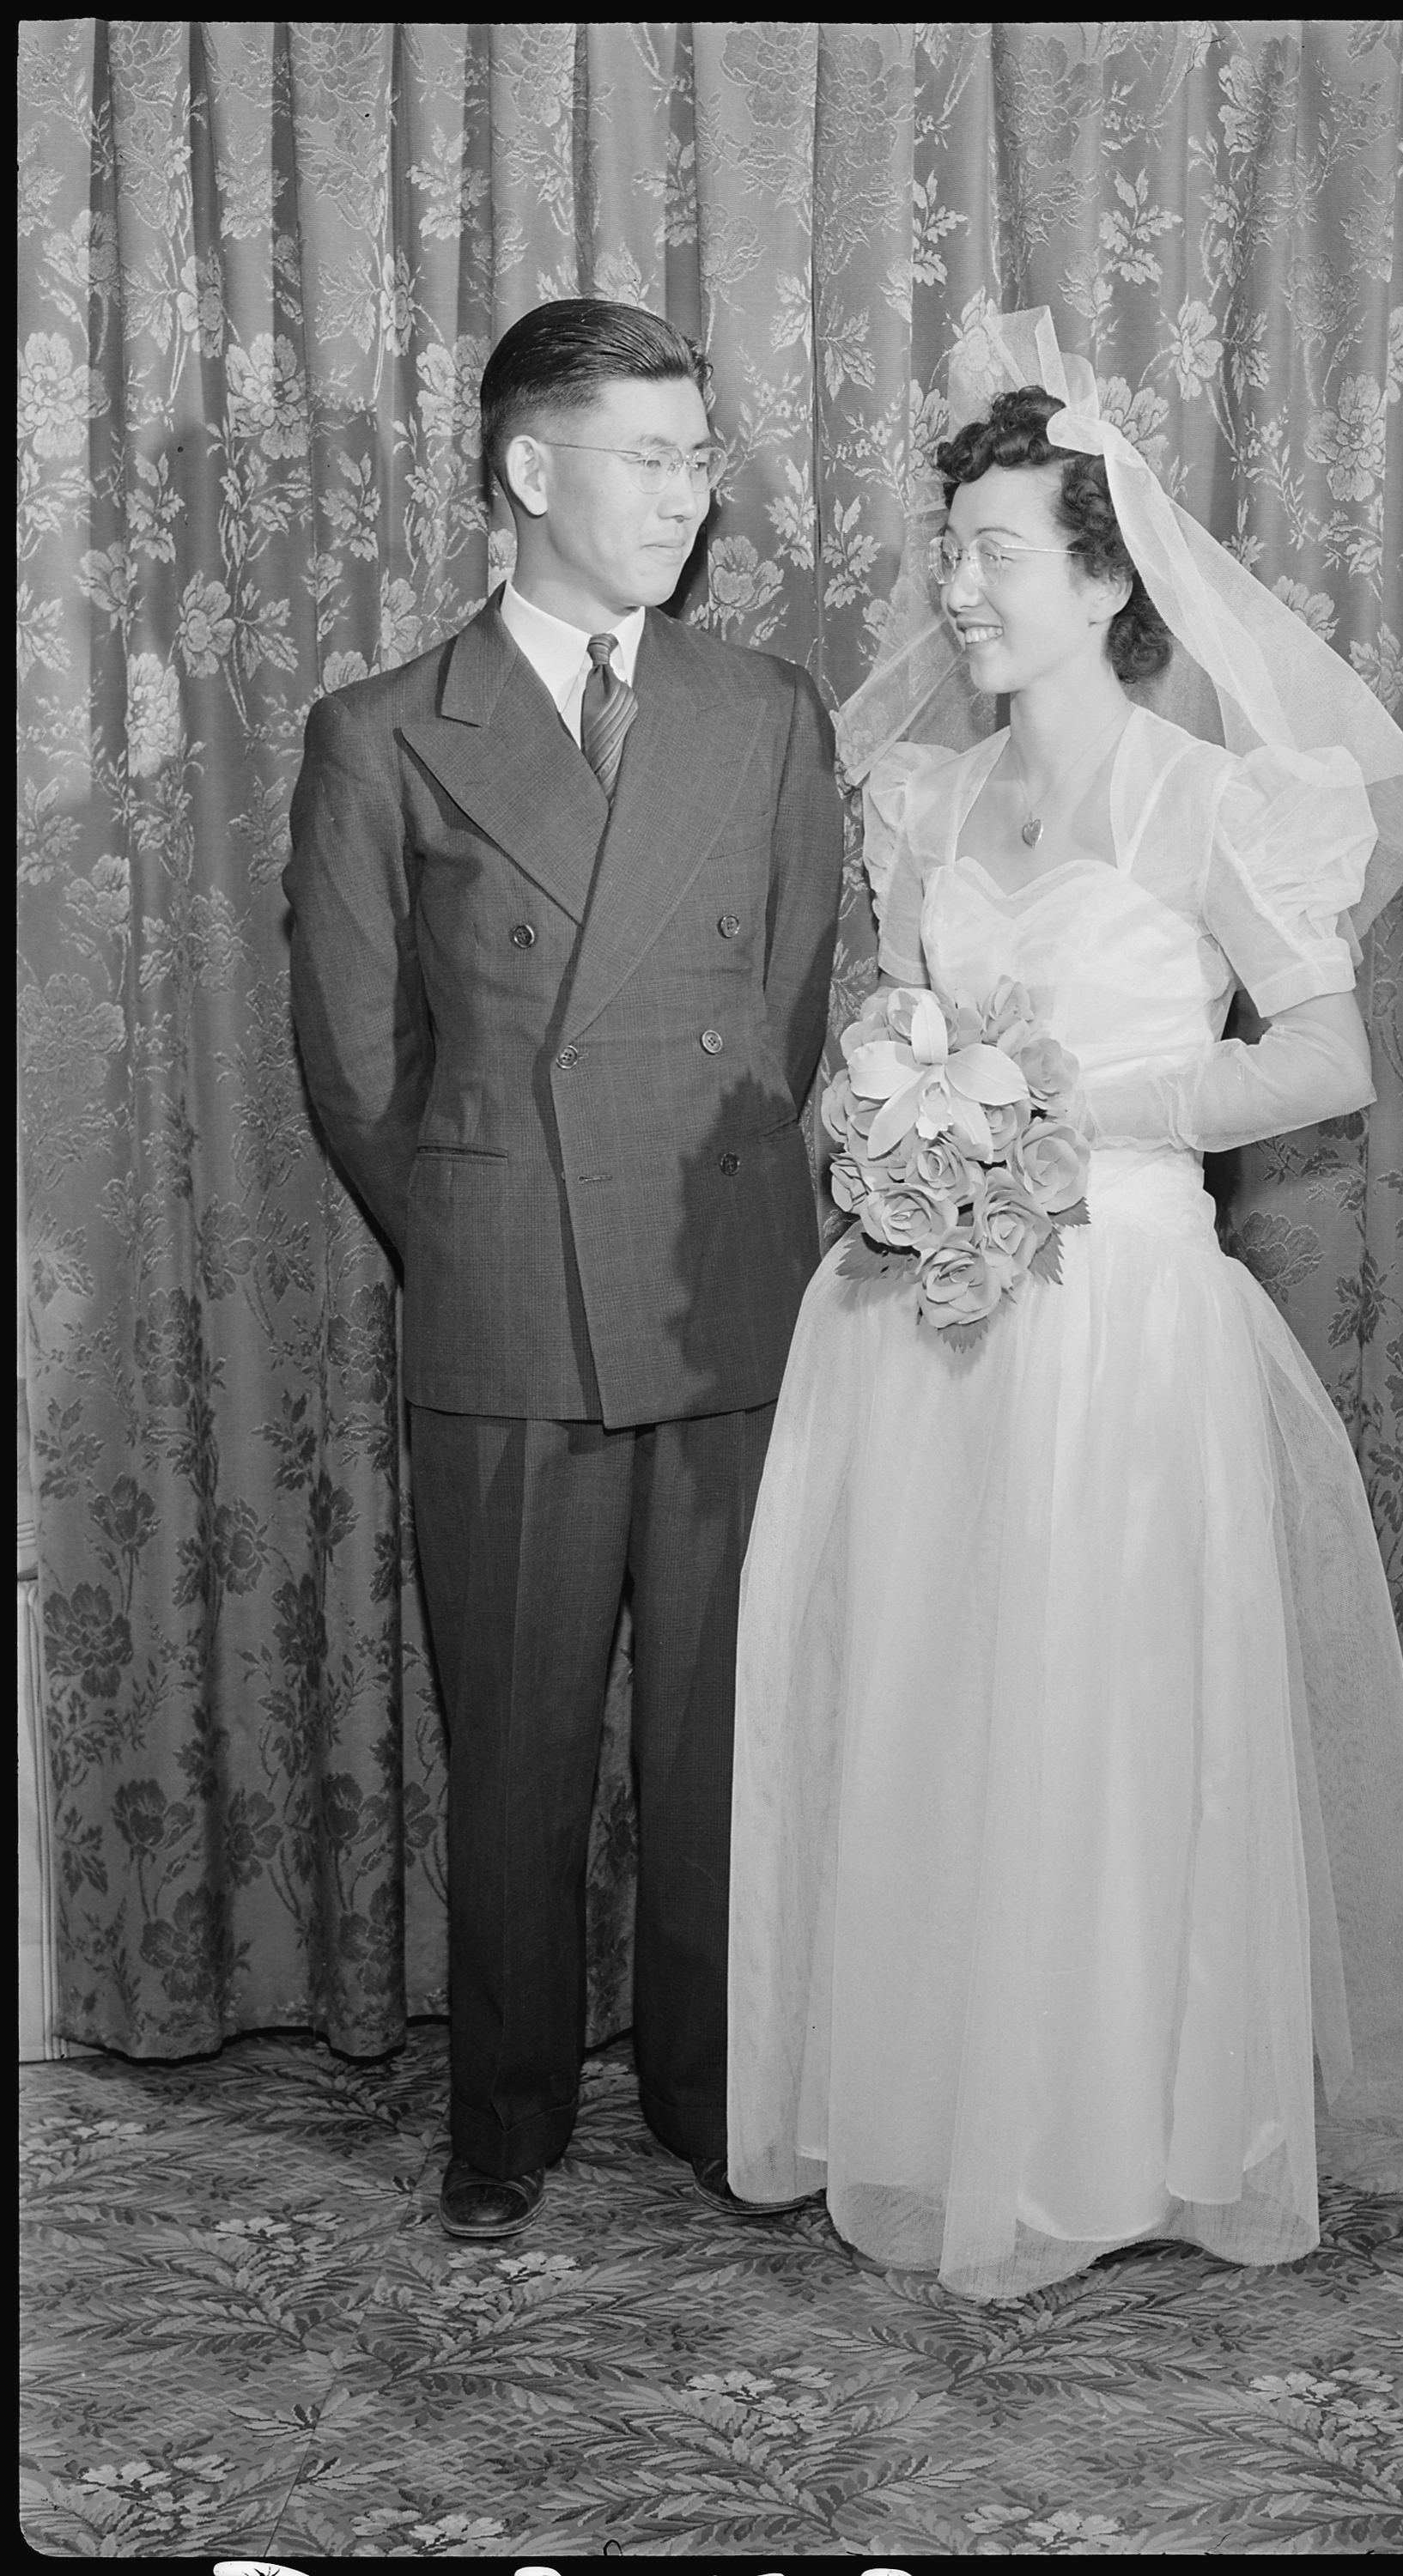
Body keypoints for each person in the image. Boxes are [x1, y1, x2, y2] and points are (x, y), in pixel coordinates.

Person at [726, 309, 1403, 2302]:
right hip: (925, 1311)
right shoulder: (914, 797)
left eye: (995, 552)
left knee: (1108, 1709)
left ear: (1102, 579)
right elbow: (894, 1027)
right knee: (940, 1697)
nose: (958, 589)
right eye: (951, 549)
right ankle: (935, 2104)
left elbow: (1322, 1062)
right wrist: (894, 1128)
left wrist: (1086, 1119)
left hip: (1130, 1310)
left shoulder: (1215, 803)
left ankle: (1113, 2131)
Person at [284, 300, 843, 2242]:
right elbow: (360, 1070)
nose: (695, 494)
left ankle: (708, 2093)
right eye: (654, 455)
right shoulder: (379, 736)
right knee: (509, 1747)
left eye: (705, 458)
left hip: (717, 1297)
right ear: (531, 471)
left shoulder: (766, 711)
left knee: (717, 1744)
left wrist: (707, 1214)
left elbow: (779, 1008)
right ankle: (504, 2120)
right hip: (512, 1305)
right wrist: (486, 1225)